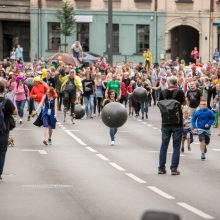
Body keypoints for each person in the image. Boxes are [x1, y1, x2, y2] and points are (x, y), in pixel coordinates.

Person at [158, 77, 186, 175]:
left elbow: (159, 104)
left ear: (168, 83)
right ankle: (174, 169)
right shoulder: (180, 93)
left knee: (164, 146)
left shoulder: (163, 93)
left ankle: (161, 168)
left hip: (165, 122)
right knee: (176, 147)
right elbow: (184, 102)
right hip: (177, 122)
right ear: (176, 83)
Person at [0, 81, 16, 180]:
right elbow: (15, 112)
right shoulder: (7, 101)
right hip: (4, 129)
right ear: (4, 90)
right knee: (2, 151)